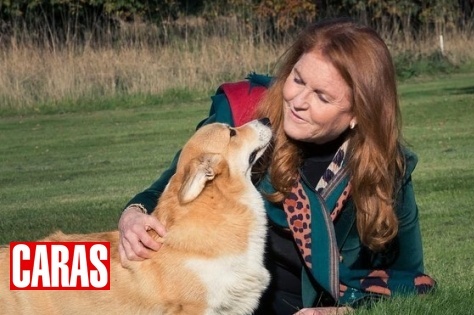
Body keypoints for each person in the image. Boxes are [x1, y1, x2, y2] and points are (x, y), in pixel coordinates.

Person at [118, 17, 436, 315]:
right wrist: (135, 213)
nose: (298, 101)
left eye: (322, 97)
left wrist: (345, 311)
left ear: (358, 114)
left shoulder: (386, 168)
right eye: (297, 79)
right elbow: (175, 181)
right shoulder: (241, 120)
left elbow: (410, 281)